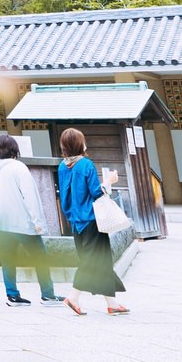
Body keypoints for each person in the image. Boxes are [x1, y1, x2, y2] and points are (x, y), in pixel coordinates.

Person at [56, 127, 129, 315]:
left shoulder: (62, 166)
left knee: (101, 260)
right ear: (80, 144)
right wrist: (110, 181)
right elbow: (96, 193)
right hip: (91, 219)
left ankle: (112, 303)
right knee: (92, 260)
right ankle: (73, 297)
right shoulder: (86, 164)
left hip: (76, 221)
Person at [0, 132, 58, 307]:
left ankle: (13, 296)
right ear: (14, 150)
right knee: (40, 257)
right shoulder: (18, 167)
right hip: (21, 222)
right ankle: (47, 294)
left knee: (8, 259)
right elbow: (30, 196)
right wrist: (38, 223)